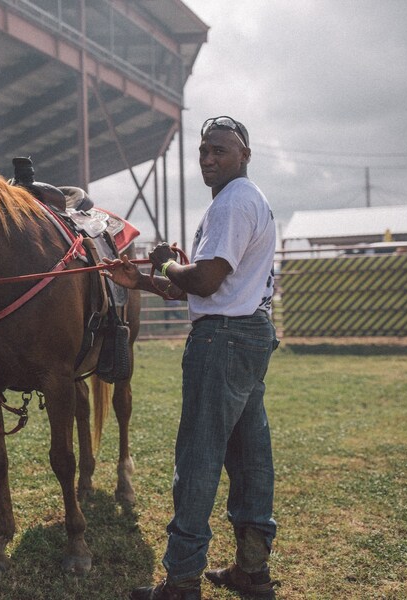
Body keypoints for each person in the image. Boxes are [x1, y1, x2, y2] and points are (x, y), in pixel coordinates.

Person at [103, 116, 279, 600]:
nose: (208, 159)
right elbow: (205, 290)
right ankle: (252, 570)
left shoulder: (232, 203)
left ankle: (181, 582)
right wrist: (140, 282)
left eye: (219, 150)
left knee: (198, 458)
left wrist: (162, 261)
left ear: (244, 154)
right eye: (203, 151)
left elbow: (202, 281)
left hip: (221, 342)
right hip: (247, 334)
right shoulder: (248, 201)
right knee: (248, 456)